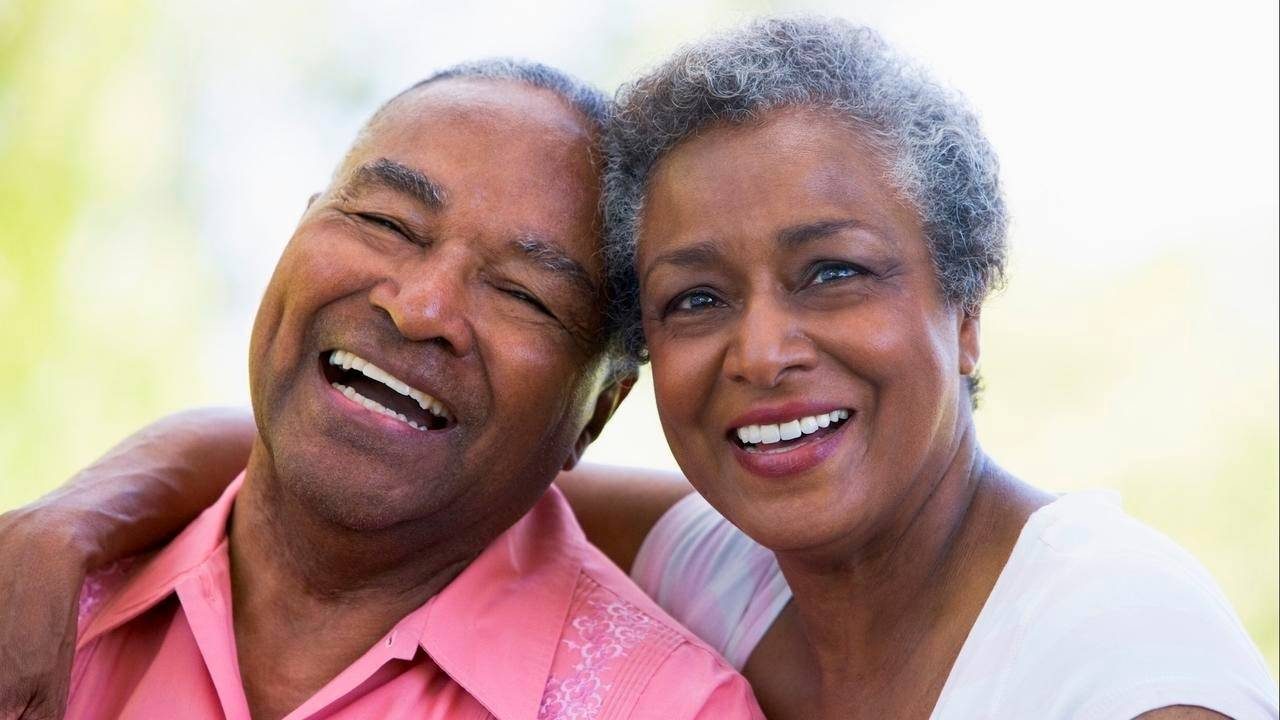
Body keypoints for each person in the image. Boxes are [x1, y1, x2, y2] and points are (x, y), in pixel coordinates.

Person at [2, 15, 1277, 720]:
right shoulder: (721, 559)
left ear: (965, 308)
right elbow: (379, 455)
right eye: (695, 298)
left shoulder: (1120, 650)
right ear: (633, 381)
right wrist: (63, 528)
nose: (763, 349)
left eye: (834, 270)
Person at [0, 59, 763, 720]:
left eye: (525, 294)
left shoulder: (669, 706)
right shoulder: (41, 602)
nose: (420, 306)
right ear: (298, 232)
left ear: (596, 412)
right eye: (384, 221)